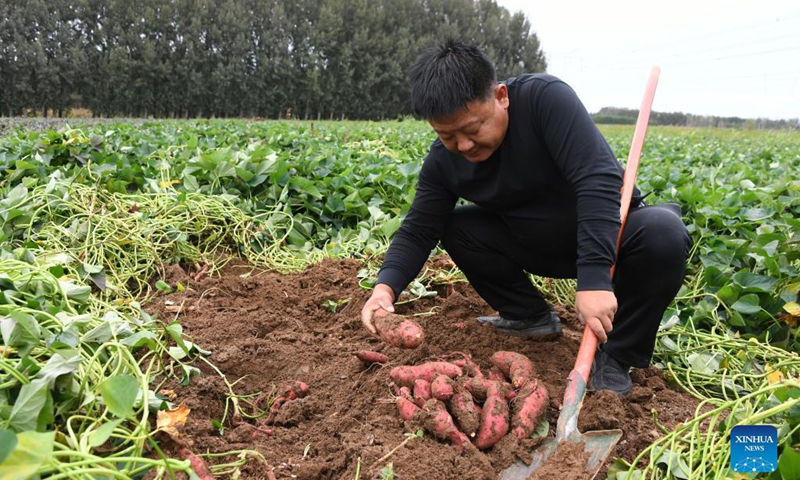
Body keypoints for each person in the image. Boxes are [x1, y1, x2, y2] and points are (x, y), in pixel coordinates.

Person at [359, 39, 691, 395]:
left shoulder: (545, 99)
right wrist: (385, 287)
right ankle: (528, 316)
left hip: (609, 237)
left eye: (473, 129)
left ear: (501, 96)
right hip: (536, 244)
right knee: (456, 226)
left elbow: (598, 180)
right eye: (447, 135)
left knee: (664, 234)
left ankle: (616, 355)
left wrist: (594, 278)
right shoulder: (444, 160)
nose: (464, 146)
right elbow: (418, 228)